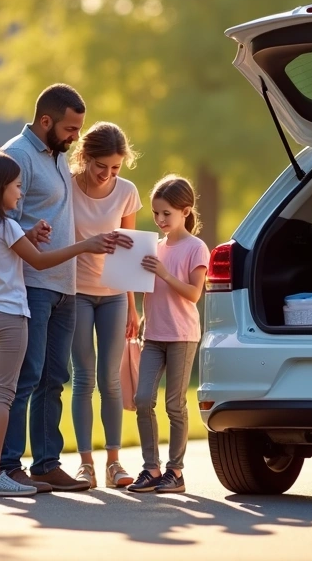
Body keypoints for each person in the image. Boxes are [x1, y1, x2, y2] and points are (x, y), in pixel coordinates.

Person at [0, 149, 120, 497]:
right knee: (4, 393)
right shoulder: (7, 225)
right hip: (11, 317)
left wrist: (28, 234)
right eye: (16, 186)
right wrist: (84, 245)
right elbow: (42, 263)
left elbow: (10, 251)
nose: (20, 192)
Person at [0, 84, 132, 493]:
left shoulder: (55, 157)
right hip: (36, 283)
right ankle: (8, 465)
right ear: (46, 121)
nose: (76, 135)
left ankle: (46, 464)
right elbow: (3, 220)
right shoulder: (18, 156)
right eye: (71, 128)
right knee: (29, 376)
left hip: (65, 286)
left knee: (54, 377)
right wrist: (30, 232)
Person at [68, 122, 143, 489]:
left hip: (114, 295)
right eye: (102, 166)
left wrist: (132, 306)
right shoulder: (66, 186)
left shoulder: (127, 192)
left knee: (111, 380)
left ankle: (114, 463)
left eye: (115, 168)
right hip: (77, 293)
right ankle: (85, 464)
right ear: (85, 157)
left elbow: (130, 250)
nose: (108, 174)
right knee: (83, 378)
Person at [127, 175, 211, 494]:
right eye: (156, 213)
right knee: (142, 398)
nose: (160, 220)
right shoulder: (153, 247)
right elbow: (150, 290)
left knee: (174, 404)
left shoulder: (195, 248)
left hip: (182, 336)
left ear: (185, 211)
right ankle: (151, 468)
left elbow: (193, 294)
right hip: (154, 335)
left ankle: (175, 471)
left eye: (167, 214)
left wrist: (163, 272)